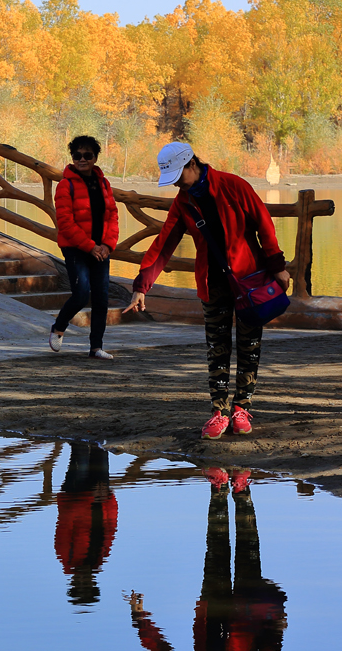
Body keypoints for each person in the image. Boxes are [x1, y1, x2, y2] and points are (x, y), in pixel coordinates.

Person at [123, 142, 291, 440]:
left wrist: (277, 264)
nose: (175, 183)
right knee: (217, 347)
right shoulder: (182, 202)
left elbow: (264, 223)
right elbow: (164, 244)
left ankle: (241, 407)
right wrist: (141, 286)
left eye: (178, 176)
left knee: (250, 345)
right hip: (212, 284)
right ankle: (218, 411)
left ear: (191, 165)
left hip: (249, 280)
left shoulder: (233, 186)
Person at [128, 465, 286, 651]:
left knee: (215, 549)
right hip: (247, 619)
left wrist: (140, 621)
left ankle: (218, 488)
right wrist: (275, 631)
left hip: (210, 613)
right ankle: (241, 489)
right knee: (248, 550)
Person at [50, 135, 120, 359]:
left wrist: (107, 245)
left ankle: (96, 347)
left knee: (101, 297)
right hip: (76, 248)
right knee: (81, 294)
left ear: (95, 158)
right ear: (72, 158)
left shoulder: (104, 183)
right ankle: (59, 326)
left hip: (101, 249)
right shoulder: (65, 185)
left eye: (87, 155)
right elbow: (65, 223)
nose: (82, 159)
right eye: (77, 155)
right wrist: (90, 247)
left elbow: (112, 216)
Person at [53, 444, 118, 605]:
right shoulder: (101, 557)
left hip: (75, 492)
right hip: (101, 495)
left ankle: (77, 421)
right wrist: (108, 498)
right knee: (101, 449)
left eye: (79, 584)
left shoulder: (65, 555)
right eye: (87, 584)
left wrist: (91, 497)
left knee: (80, 449)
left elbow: (66, 517)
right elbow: (111, 525)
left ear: (73, 582)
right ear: (93, 583)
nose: (83, 579)